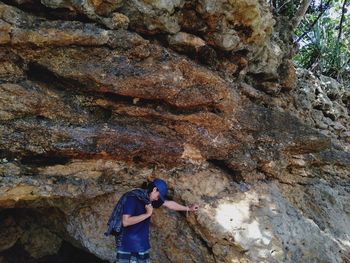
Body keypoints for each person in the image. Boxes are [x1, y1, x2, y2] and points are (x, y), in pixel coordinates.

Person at [105, 178, 199, 263]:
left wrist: (188, 208)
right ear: (154, 190)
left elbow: (169, 204)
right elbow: (125, 222)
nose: (158, 199)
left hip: (142, 246)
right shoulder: (133, 198)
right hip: (129, 247)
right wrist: (147, 214)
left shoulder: (148, 199)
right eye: (158, 196)